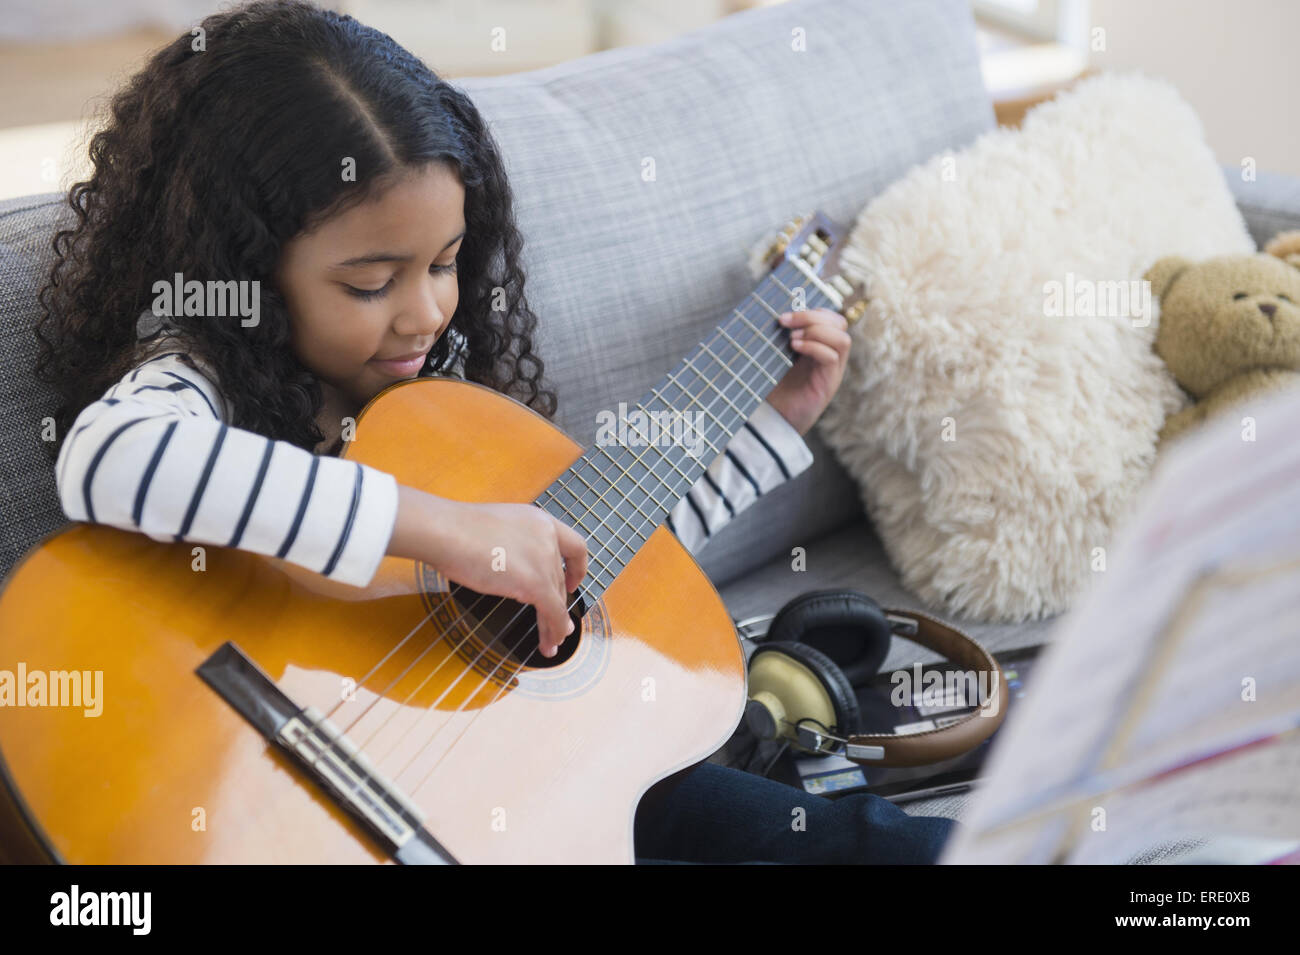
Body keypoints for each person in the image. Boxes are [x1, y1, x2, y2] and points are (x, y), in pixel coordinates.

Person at [36, 0, 957, 865]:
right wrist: (446, 528)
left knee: (872, 839)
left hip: (530, 790)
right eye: (369, 283)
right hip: (273, 759)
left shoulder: (445, 403)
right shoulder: (199, 374)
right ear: (240, 265)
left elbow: (611, 580)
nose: (424, 312)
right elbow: (113, 460)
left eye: (444, 264)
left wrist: (775, 423)